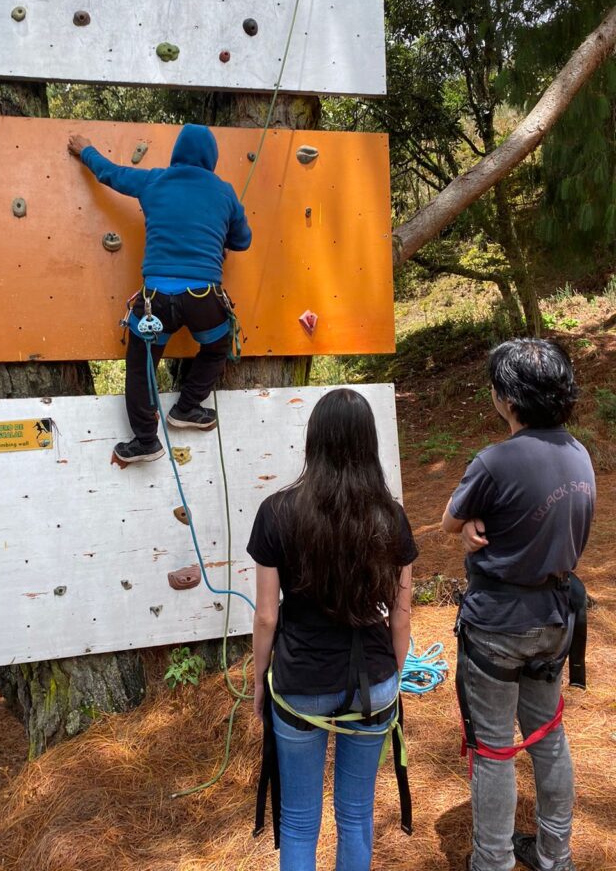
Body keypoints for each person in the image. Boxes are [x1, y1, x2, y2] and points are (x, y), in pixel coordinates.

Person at [247, 388, 417, 871]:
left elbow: (266, 617)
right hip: (373, 685)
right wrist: (393, 681)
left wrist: (261, 682)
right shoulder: (391, 517)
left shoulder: (277, 513)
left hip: (301, 683)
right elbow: (401, 616)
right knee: (357, 816)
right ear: (369, 444)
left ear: (313, 441)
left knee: (299, 822)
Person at [442, 338, 594, 871]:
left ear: (507, 398)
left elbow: (448, 521)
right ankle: (557, 856)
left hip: (497, 626)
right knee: (548, 737)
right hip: (555, 619)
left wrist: (469, 530)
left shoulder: (495, 461)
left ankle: (493, 861)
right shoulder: (579, 455)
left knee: (494, 748)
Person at [68, 124, 252, 464]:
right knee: (216, 346)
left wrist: (86, 150)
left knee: (141, 366)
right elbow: (243, 241)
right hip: (203, 299)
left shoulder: (155, 180)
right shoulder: (224, 192)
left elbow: (111, 174)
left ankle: (144, 441)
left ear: (177, 153)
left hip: (157, 302)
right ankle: (187, 407)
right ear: (211, 158)